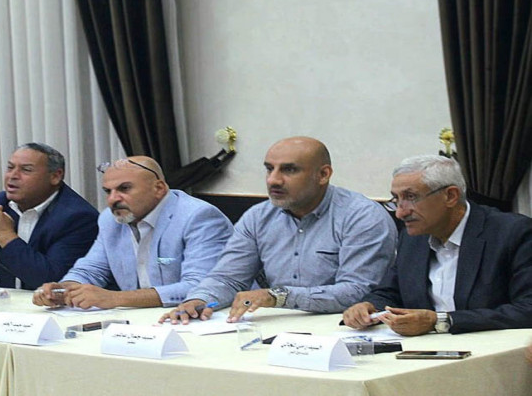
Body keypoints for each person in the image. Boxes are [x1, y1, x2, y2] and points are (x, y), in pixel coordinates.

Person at [162, 137, 397, 324]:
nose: (273, 180)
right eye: (269, 169)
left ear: (323, 174)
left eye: (289, 170)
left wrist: (279, 296)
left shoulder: (362, 216)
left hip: (343, 327)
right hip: (278, 325)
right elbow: (228, 278)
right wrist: (198, 300)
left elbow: (358, 291)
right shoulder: (258, 216)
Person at [342, 155, 532, 335]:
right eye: (396, 199)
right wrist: (369, 306)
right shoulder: (413, 237)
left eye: (411, 197)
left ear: (450, 196)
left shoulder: (512, 233)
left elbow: (527, 309)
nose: (400, 213)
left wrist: (441, 321)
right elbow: (390, 291)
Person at [32, 156, 233, 309]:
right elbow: (90, 269)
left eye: (124, 188)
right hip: (140, 321)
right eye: (108, 191)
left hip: (202, 318)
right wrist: (64, 289)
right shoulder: (110, 219)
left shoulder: (198, 216)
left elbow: (201, 286)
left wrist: (115, 298)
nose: (112, 199)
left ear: (159, 188)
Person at [0, 143, 98, 289]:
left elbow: (52, 281)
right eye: (10, 168)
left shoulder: (78, 217)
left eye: (26, 170)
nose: (13, 176)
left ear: (55, 176)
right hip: (0, 302)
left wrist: (4, 235)